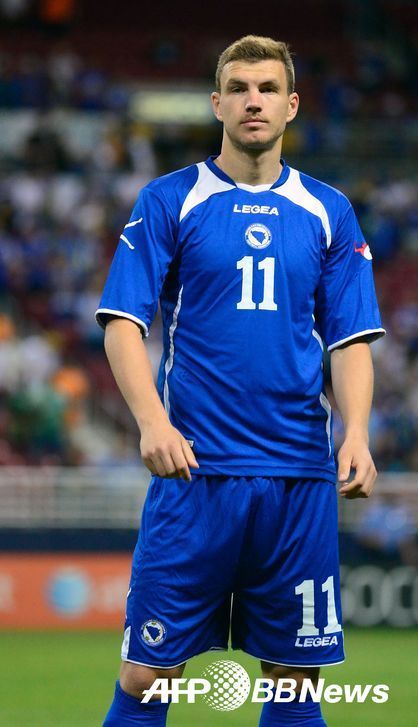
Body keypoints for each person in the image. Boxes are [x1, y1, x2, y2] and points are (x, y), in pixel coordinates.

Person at [96, 35, 385, 727]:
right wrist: (152, 422)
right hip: (196, 472)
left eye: (267, 89)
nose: (253, 101)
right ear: (217, 103)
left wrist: (357, 431)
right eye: (239, 88)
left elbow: (349, 340)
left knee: (295, 682)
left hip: (297, 476)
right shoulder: (170, 199)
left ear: (291, 105)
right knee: (147, 675)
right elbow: (123, 323)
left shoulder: (328, 209)